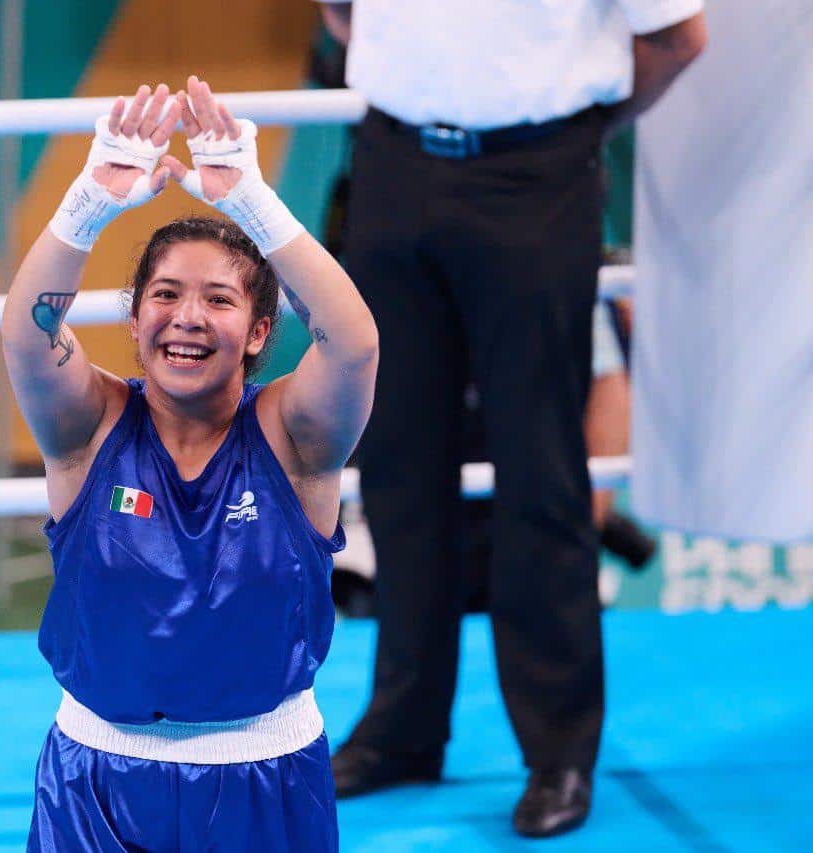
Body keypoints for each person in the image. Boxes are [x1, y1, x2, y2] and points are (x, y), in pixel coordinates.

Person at [317, 0, 707, 838]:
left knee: (542, 469)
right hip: (390, 160)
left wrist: (572, 129)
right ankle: (401, 728)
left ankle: (560, 750)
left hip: (538, 174)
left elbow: (680, 34)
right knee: (397, 464)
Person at [0, 76, 378, 851]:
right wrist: (87, 205)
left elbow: (356, 343)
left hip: (264, 777)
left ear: (261, 330)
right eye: (166, 294)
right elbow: (25, 336)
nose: (189, 317)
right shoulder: (89, 427)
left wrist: (254, 204)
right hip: (94, 787)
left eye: (219, 299)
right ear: (135, 321)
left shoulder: (294, 439)